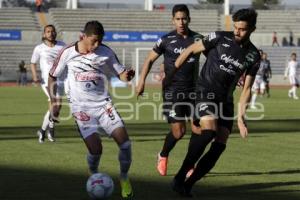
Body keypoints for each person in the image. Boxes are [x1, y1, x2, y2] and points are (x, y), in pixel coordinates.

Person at [165, 8, 261, 197]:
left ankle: (188, 184)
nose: (237, 32)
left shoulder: (253, 55)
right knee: (209, 132)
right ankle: (180, 175)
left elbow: (247, 89)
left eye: (242, 29)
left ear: (252, 30)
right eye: (235, 27)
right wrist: (171, 74)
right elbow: (191, 49)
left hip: (226, 100)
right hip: (204, 93)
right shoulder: (218, 37)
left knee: (220, 145)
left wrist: (241, 118)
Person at [48, 21, 134, 199]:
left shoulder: (106, 51)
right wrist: (54, 100)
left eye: (99, 41)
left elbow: (121, 74)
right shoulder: (68, 52)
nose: (96, 46)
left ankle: (124, 177)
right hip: (81, 108)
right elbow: (52, 76)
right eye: (93, 41)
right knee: (96, 150)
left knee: (125, 144)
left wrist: (127, 75)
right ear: (83, 36)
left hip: (104, 105)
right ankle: (93, 172)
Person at [136, 4, 203, 176]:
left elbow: (213, 58)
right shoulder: (165, 40)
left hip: (194, 91)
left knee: (198, 129)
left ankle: (189, 165)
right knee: (179, 132)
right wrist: (141, 81)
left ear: (189, 19)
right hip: (172, 92)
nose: (181, 22)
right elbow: (149, 60)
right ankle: (163, 154)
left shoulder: (199, 39)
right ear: (173, 20)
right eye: (178, 19)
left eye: (184, 18)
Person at [31, 24, 66, 143]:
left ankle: (43, 130)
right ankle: (49, 130)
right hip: (47, 81)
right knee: (54, 104)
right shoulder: (39, 48)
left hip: (61, 80)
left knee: (57, 107)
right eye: (48, 31)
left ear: (55, 33)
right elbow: (33, 63)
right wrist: (35, 76)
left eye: (52, 31)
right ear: (44, 34)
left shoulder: (62, 46)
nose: (50, 33)